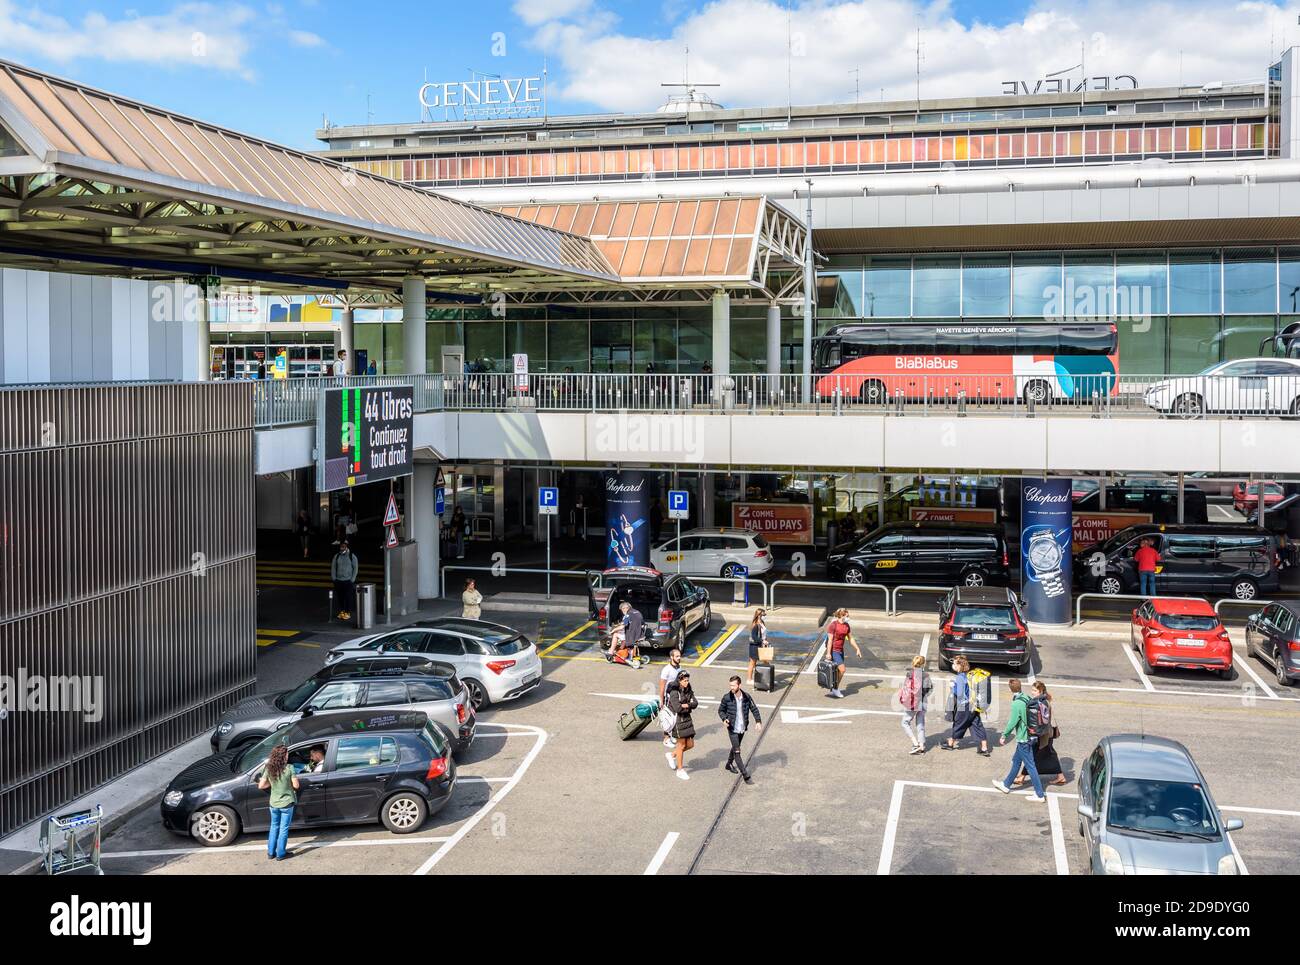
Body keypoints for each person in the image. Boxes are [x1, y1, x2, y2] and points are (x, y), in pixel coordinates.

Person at [992, 678, 1046, 802]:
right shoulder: (1026, 698)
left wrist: (1004, 735)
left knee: (1031, 766)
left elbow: (1013, 722)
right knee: (1016, 761)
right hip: (1031, 736)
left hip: (1024, 739)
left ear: (1010, 689)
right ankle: (1006, 785)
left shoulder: (1017, 703)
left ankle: (1039, 794)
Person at [1014, 681, 1067, 787]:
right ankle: (1060, 776)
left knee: (1033, 754)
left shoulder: (1041, 702)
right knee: (1046, 754)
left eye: (1035, 690)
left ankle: (1022, 776)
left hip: (1044, 734)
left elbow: (1045, 720)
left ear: (1041, 691)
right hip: (1045, 733)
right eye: (1032, 690)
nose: (1032, 692)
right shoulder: (1042, 700)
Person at [257, 744, 299, 860]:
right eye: (287, 754)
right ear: (283, 756)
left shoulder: (268, 768)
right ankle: (281, 854)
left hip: (273, 803)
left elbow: (261, 785)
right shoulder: (289, 768)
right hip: (287, 803)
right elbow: (296, 785)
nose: (288, 756)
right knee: (283, 829)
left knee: (274, 827)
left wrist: (272, 783)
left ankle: (271, 853)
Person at [942, 655, 990, 756]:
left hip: (964, 706)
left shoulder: (959, 677)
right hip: (974, 705)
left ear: (959, 665)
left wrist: (952, 687)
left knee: (958, 724)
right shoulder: (969, 675)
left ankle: (951, 743)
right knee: (977, 726)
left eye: (954, 663)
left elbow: (959, 694)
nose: (953, 665)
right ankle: (984, 748)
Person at [718, 675, 762, 783]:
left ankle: (728, 764)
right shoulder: (727, 697)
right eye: (730, 685)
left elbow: (754, 708)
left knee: (735, 747)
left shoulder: (746, 697)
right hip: (732, 728)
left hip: (742, 728)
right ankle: (746, 775)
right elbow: (721, 710)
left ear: (739, 685)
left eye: (733, 685)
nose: (731, 687)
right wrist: (724, 719)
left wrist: (758, 721)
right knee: (737, 751)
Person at [665, 670, 698, 780]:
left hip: (687, 719)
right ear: (679, 680)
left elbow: (695, 703)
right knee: (681, 745)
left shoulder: (688, 690)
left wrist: (686, 705)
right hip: (678, 721)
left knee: (690, 744)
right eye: (684, 681)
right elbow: (677, 708)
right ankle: (680, 770)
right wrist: (688, 706)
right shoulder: (675, 692)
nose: (687, 683)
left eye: (688, 680)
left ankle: (672, 755)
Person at [823, 608, 862, 698]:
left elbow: (851, 639)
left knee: (837, 671)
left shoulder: (846, 625)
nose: (848, 617)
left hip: (840, 650)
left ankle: (833, 688)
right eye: (847, 616)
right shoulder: (833, 625)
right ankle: (835, 689)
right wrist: (828, 653)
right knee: (842, 669)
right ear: (841, 615)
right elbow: (830, 640)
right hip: (834, 650)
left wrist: (857, 649)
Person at [898, 654, 933, 754]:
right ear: (923, 664)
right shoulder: (926, 675)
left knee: (905, 722)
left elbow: (905, 688)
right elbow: (930, 689)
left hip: (912, 702)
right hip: (923, 702)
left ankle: (915, 743)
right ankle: (922, 746)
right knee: (920, 723)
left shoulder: (910, 674)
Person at [658, 648, 684, 747]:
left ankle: (672, 735)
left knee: (675, 717)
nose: (679, 658)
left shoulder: (679, 668)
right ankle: (666, 739)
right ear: (671, 657)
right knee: (667, 717)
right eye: (677, 656)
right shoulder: (666, 670)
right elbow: (662, 686)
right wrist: (661, 700)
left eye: (679, 656)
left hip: (676, 697)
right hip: (668, 698)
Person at [331, 541, 358, 621]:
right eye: (341, 547)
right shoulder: (337, 556)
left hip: (348, 581)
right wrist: (334, 578)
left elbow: (355, 568)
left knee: (348, 597)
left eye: (343, 547)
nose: (342, 548)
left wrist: (352, 579)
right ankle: (342, 611)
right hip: (338, 581)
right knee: (340, 597)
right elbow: (333, 567)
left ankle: (347, 612)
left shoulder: (351, 556)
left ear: (346, 547)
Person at [747, 608, 768, 686]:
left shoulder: (762, 622)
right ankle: (749, 679)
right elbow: (754, 636)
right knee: (752, 663)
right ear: (759, 615)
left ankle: (768, 678)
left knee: (766, 661)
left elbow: (764, 634)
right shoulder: (755, 625)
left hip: (762, 645)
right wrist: (762, 641)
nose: (765, 616)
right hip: (755, 646)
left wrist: (765, 641)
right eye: (764, 614)